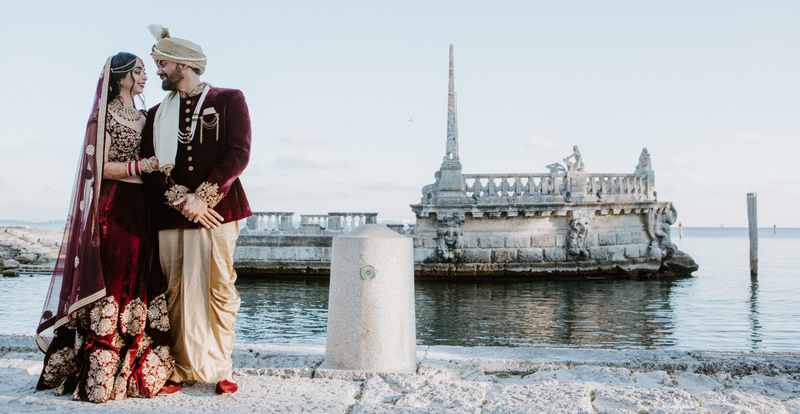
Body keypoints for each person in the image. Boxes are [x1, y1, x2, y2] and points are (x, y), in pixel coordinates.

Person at [35, 52, 172, 403]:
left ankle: (134, 361)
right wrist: (141, 165)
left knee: (141, 276)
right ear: (121, 77)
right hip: (115, 206)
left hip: (144, 209)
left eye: (145, 70)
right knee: (114, 277)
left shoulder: (146, 116)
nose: (145, 76)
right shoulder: (104, 117)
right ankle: (101, 366)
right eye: (139, 71)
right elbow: (99, 168)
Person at [140, 25, 252, 396]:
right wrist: (180, 200)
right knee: (175, 292)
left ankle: (221, 366)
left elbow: (239, 153)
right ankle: (179, 368)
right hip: (172, 214)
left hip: (220, 211)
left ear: (184, 65)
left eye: (162, 64)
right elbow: (149, 164)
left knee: (220, 288)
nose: (157, 71)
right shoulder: (155, 114)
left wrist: (203, 197)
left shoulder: (228, 99)